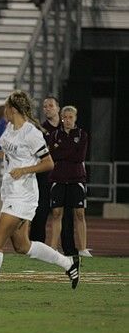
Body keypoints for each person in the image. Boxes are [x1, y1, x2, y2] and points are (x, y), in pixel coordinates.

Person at [0, 90, 80, 307]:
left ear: (12, 109)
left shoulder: (31, 133)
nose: (4, 111)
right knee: (22, 246)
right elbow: (6, 153)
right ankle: (68, 263)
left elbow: (48, 163)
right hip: (12, 193)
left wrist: (24, 171)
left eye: (6, 107)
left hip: (23, 195)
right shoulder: (10, 129)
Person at [30, 96, 76, 254]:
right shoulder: (40, 129)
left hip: (64, 176)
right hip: (45, 175)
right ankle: (37, 246)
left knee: (65, 212)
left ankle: (68, 247)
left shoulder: (68, 130)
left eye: (50, 105)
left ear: (58, 108)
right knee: (41, 210)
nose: (47, 108)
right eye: (45, 106)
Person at [49, 106, 91, 256]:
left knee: (79, 214)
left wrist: (62, 152)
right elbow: (53, 156)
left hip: (77, 179)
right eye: (65, 117)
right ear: (61, 118)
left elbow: (79, 157)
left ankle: (83, 249)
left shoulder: (82, 134)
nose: (67, 120)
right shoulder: (54, 135)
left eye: (70, 117)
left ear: (75, 118)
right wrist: (70, 151)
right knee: (56, 213)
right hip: (58, 178)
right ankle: (53, 249)